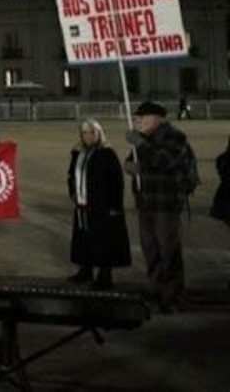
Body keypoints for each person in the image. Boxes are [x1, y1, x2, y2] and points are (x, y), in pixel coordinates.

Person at [125, 101, 196, 312]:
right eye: (137, 118)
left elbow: (164, 161)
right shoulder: (144, 140)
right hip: (146, 202)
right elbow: (138, 162)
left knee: (169, 250)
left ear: (157, 118)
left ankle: (173, 295)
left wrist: (139, 144)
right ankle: (156, 287)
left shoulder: (174, 137)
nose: (138, 121)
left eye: (142, 118)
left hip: (166, 203)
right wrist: (130, 166)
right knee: (151, 248)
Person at [66, 118, 131, 290]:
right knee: (83, 239)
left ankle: (104, 276)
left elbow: (117, 182)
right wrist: (72, 191)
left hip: (101, 206)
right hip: (82, 204)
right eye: (85, 133)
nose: (88, 136)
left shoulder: (107, 154)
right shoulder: (78, 153)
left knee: (103, 241)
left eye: (92, 132)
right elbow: (72, 175)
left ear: (99, 133)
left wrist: (115, 206)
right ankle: (85, 270)